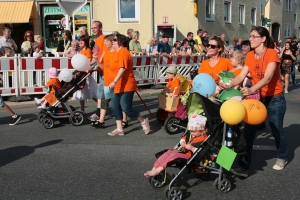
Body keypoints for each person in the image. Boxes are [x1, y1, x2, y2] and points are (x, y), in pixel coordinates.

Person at [220, 26, 289, 174]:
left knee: (276, 130)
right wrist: (230, 84)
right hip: (257, 98)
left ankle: (282, 157)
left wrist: (251, 89)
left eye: (253, 36)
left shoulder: (271, 53)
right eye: (250, 36)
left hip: (274, 97)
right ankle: (243, 165)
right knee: (249, 132)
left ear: (263, 39)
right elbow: (241, 75)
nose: (250, 39)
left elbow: (268, 77)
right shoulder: (250, 55)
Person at [106, 34, 150, 136]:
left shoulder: (123, 52)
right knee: (115, 106)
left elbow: (122, 68)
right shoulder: (117, 52)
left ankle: (143, 120)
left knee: (126, 108)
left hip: (126, 85)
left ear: (120, 42)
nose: (113, 41)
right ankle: (119, 129)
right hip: (118, 85)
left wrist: (114, 81)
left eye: (115, 40)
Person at [144, 114, 208, 177]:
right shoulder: (191, 134)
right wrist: (182, 142)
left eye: (193, 131)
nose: (192, 133)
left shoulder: (204, 139)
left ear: (201, 130)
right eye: (191, 131)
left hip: (188, 156)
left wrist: (192, 148)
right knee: (167, 153)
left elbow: (201, 153)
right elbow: (183, 138)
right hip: (181, 151)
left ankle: (158, 170)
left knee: (172, 156)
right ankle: (154, 168)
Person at [72, 35, 97, 113]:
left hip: (85, 74)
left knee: (90, 93)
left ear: (86, 42)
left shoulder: (88, 50)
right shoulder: (82, 50)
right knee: (81, 94)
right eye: (80, 41)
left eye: (82, 41)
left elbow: (88, 62)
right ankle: (82, 110)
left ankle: (102, 106)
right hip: (81, 73)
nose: (80, 42)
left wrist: (87, 69)